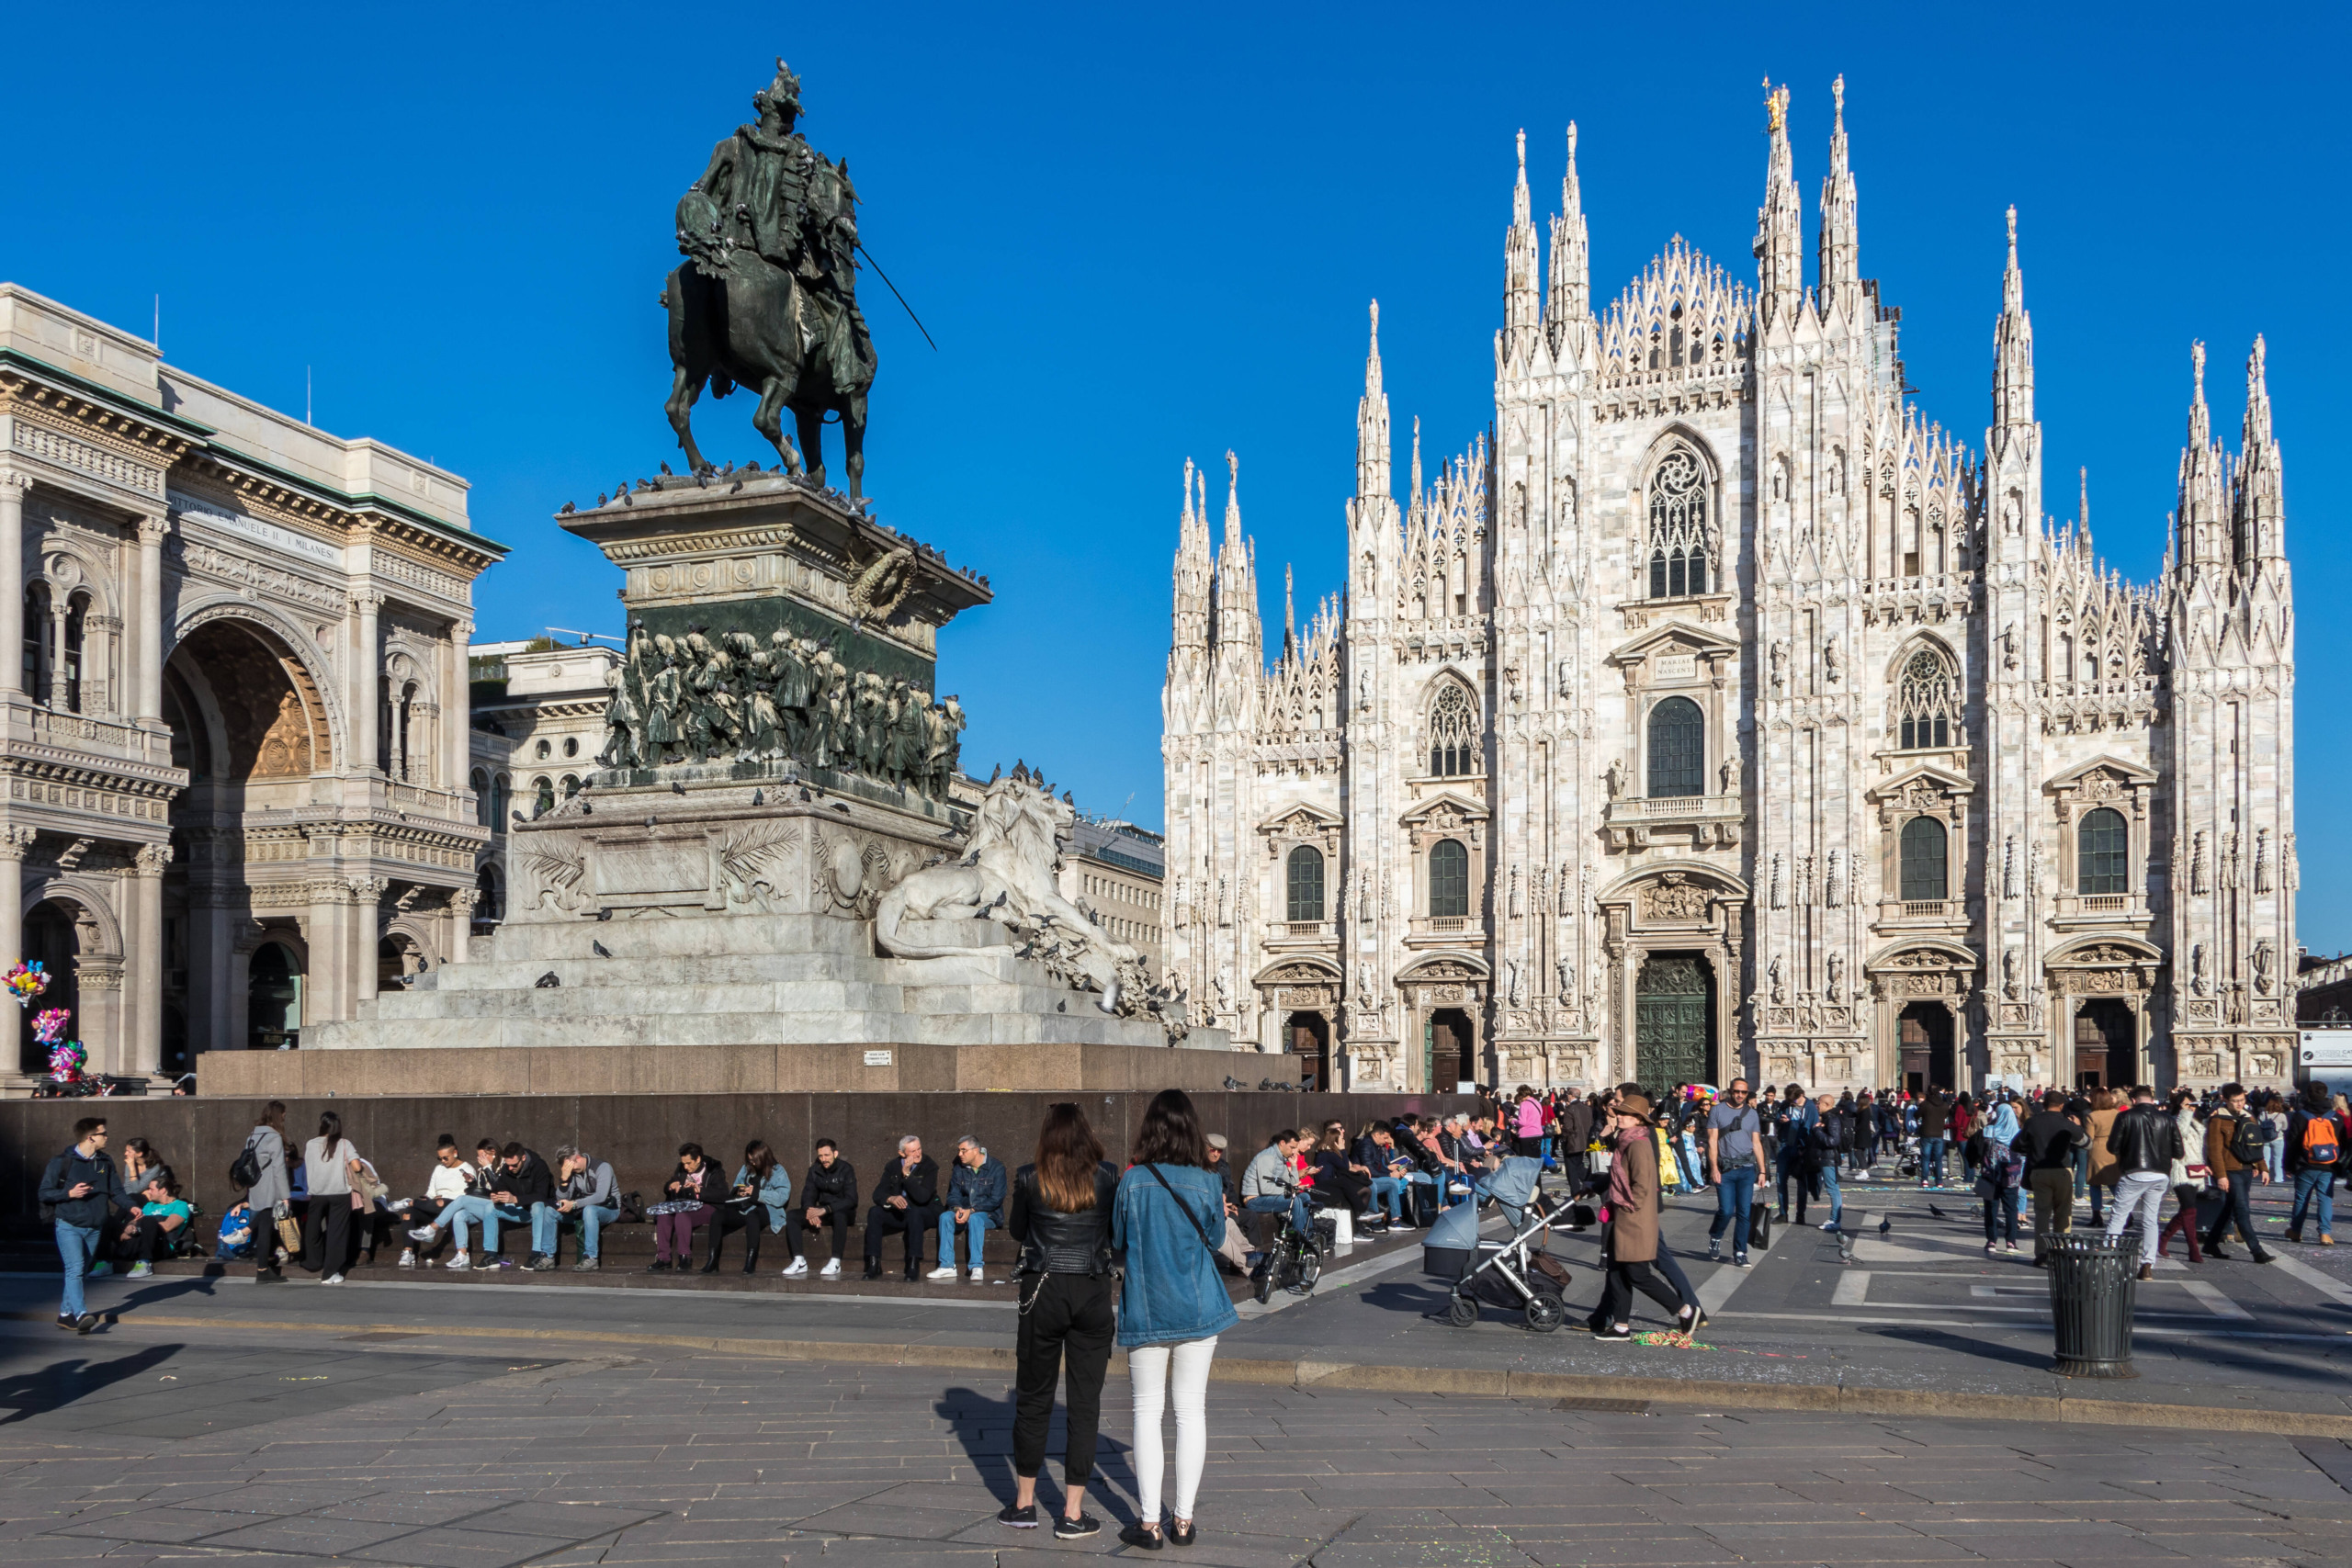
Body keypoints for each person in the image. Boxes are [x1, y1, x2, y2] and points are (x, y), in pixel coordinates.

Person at [1112, 1089, 1238, 1549]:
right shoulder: (1207, 1181)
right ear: (1193, 1130)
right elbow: (1217, 1235)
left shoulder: (1132, 1179)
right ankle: (1183, 1520)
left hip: (1147, 1307)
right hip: (1200, 1305)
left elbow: (1119, 1237)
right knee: (1191, 1411)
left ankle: (1149, 1523)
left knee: (1147, 1412)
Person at [1000, 1102, 1120, 1541]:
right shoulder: (1107, 1174)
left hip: (1042, 1291)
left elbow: (1016, 1231)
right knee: (1085, 1405)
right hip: (1091, 1289)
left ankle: (1024, 1504)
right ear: (1087, 1133)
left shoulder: (1029, 1175)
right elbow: (1116, 1232)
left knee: (1033, 1399)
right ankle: (1072, 1513)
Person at [1596, 1092, 1703, 1340]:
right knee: (1616, 1270)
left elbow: (1642, 1187)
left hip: (1634, 1219)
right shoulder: (1625, 1140)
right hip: (1625, 1216)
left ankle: (1685, 1310)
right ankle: (1621, 1326)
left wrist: (1625, 1208)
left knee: (1637, 1274)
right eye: (1618, 1112)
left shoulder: (1638, 1144)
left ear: (1638, 1120)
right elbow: (1618, 1175)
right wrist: (1594, 1186)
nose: (1618, 1116)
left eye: (1624, 1113)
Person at [39, 1117, 119, 1332]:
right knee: (74, 1269)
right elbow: (44, 1193)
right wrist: (69, 1193)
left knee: (82, 1270)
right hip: (68, 1224)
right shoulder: (61, 1162)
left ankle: (65, 1314)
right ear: (90, 1137)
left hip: (94, 1225)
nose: (107, 1137)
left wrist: (131, 1206)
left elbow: (116, 1191)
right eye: (104, 1133)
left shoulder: (105, 1161)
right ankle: (81, 1313)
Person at [2104, 1085, 2183, 1280]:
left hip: (2134, 1172)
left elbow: (2112, 1147)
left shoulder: (2125, 1117)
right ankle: (2147, 1264)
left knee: (2118, 1217)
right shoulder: (2167, 1118)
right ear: (2152, 1099)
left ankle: (2108, 1260)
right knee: (2150, 1220)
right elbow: (2179, 1152)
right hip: (2159, 1174)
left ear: (2133, 1100)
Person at [405, 1138, 508, 1269]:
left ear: (493, 1152)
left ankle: (432, 1229)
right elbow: (483, 1193)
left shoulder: (506, 1165)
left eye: (482, 1155)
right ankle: (462, 1255)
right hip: (487, 1207)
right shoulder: (482, 1170)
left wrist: (487, 1167)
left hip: (503, 1207)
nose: (480, 1159)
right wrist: (471, 1183)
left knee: (461, 1199)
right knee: (459, 1215)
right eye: (478, 1156)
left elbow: (499, 1188)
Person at [2202, 1083, 2276, 1264]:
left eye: (2242, 1100)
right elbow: (2214, 1150)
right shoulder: (2218, 1119)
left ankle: (2210, 1243)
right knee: (2242, 1209)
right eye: (2234, 1101)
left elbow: (2255, 1145)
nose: (2239, 1104)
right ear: (2224, 1100)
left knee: (2230, 1209)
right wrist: (2220, 1175)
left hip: (2246, 1170)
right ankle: (2257, 1251)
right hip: (2229, 1170)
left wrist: (2263, 1167)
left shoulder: (2248, 1116)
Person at [2020, 1089, 2090, 1265]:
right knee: (2063, 1212)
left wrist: (2033, 1148)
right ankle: (2060, 1250)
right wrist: (2078, 1126)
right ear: (2061, 1105)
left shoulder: (2033, 1122)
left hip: (2039, 1170)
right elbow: (2087, 1144)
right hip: (2061, 1170)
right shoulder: (2066, 1122)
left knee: (2042, 1213)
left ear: (2043, 1104)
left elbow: (2017, 1145)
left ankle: (2041, 1252)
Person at [707, 1140, 792, 1274]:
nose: (752, 1163)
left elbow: (782, 1197)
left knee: (753, 1217)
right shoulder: (746, 1168)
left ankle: (750, 1261)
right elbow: (737, 1185)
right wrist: (739, 1191)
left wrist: (756, 1193)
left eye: (754, 1160)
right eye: (749, 1159)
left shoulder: (778, 1171)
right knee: (717, 1216)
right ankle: (712, 1260)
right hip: (744, 1206)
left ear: (763, 1157)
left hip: (767, 1209)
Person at [863, 1134, 941, 1280]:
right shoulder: (892, 1166)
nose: (918, 1154)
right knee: (875, 1212)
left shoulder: (929, 1166)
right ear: (902, 1153)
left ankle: (913, 1265)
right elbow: (878, 1193)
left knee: (915, 1213)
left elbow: (922, 1197)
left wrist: (907, 1174)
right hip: (902, 1213)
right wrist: (891, 1198)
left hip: (926, 1211)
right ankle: (873, 1264)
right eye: (913, 1151)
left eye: (919, 1149)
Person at [930, 1135, 1005, 1282]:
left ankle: (976, 1267)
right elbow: (953, 1194)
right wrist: (958, 1208)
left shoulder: (996, 1167)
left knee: (975, 1219)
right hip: (964, 1211)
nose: (960, 1154)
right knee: (945, 1217)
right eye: (959, 1150)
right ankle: (947, 1266)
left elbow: (996, 1199)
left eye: (963, 1151)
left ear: (976, 1150)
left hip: (989, 1215)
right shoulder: (959, 1168)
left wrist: (971, 1211)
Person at [300, 1111, 363, 1284]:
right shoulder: (344, 1143)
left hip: (317, 1193)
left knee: (312, 1229)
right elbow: (357, 1167)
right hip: (339, 1193)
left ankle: (312, 1261)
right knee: (337, 1233)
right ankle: (330, 1272)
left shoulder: (311, 1144)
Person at [1704, 1077, 1761, 1266]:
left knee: (1744, 1213)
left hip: (1746, 1169)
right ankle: (1716, 1235)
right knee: (1726, 1210)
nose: (1740, 1095)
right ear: (1730, 1091)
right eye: (1737, 1091)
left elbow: (1756, 1143)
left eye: (1744, 1092)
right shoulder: (1717, 1110)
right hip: (1725, 1169)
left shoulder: (1752, 1114)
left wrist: (1762, 1171)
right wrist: (1713, 1168)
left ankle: (1740, 1252)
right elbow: (1712, 1141)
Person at [396, 1138, 473, 1269]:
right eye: (440, 1158)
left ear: (455, 1153)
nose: (443, 1161)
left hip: (453, 1204)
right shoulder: (439, 1169)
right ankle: (408, 1252)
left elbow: (466, 1195)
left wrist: (443, 1197)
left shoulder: (466, 1169)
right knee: (408, 1213)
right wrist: (426, 1198)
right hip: (435, 1204)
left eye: (445, 1158)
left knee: (440, 1202)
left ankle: (410, 1202)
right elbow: (431, 1191)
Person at [784, 1138, 856, 1277]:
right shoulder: (814, 1170)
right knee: (792, 1216)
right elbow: (808, 1194)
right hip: (822, 1211)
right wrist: (811, 1211)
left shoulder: (846, 1169)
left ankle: (835, 1261)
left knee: (839, 1215)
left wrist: (826, 1209)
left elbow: (851, 1200)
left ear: (835, 1154)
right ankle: (799, 1261)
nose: (824, 1159)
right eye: (820, 1156)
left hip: (842, 1211)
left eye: (827, 1155)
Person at [1240, 1130, 1314, 1261]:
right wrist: (1290, 1191)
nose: (1293, 1151)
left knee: (1305, 1198)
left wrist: (1294, 1165)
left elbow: (1292, 1183)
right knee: (1296, 1201)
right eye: (1291, 1147)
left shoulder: (1281, 1159)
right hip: (1254, 1199)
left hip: (1268, 1197)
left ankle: (1307, 1237)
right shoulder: (1267, 1157)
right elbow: (1265, 1188)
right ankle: (1299, 1242)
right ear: (1281, 1143)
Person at [486, 1143, 560, 1269]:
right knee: (490, 1208)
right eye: (508, 1165)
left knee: (538, 1205)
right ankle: (490, 1255)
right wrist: (497, 1196)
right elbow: (500, 1186)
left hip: (540, 1213)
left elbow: (542, 1195)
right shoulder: (507, 1167)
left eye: (514, 1165)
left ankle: (536, 1253)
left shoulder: (539, 1166)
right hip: (521, 1211)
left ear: (523, 1158)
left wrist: (516, 1199)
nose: (510, 1168)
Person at [2286, 1079, 2341, 1245]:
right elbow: (2342, 1142)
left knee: (2302, 1198)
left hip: (2305, 1164)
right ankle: (2325, 1233)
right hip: (2328, 1165)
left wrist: (2288, 1166)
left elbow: (2292, 1142)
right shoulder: (2335, 1117)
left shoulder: (2300, 1116)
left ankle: (2296, 1230)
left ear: (2308, 1095)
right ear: (2326, 1094)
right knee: (2325, 1198)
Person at [241, 1102, 290, 1284]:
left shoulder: (253, 1134)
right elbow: (278, 1167)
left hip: (255, 1185)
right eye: (283, 1115)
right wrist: (285, 1195)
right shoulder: (274, 1136)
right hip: (270, 1186)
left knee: (263, 1224)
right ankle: (262, 1270)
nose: (284, 1118)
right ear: (279, 1115)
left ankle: (263, 1266)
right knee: (265, 1228)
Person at [650, 1143, 720, 1270]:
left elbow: (721, 1193)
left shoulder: (713, 1170)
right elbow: (670, 1184)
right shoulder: (681, 1169)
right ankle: (663, 1258)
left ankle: (685, 1257)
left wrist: (699, 1191)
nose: (686, 1167)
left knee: (682, 1216)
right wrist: (671, 1186)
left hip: (705, 1207)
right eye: (683, 1163)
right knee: (663, 1216)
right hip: (684, 1205)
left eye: (689, 1163)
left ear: (698, 1159)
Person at [2158, 1088, 2208, 1264]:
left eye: (2192, 1104)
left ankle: (2163, 1239)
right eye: (2187, 1104)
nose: (2191, 1107)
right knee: (2189, 1210)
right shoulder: (2174, 1121)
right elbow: (2180, 1134)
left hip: (2196, 1170)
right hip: (2180, 1169)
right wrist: (2185, 1113)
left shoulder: (2196, 1122)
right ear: (2179, 1106)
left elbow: (2198, 1148)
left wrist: (2205, 1166)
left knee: (2187, 1211)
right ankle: (2193, 1250)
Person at [554, 1145, 620, 1270]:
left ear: (578, 1158)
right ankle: (547, 1256)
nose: (567, 1170)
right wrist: (564, 1180)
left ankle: (591, 1258)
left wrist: (574, 1204)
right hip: (581, 1210)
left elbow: (601, 1196)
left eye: (567, 1166)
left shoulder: (602, 1167)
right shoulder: (572, 1174)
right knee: (549, 1212)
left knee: (590, 1210)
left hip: (609, 1210)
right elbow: (561, 1199)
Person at [112, 1172, 190, 1277]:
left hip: (162, 1244)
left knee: (149, 1220)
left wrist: (138, 1229)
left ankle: (145, 1263)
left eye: (151, 1189)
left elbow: (167, 1226)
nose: (148, 1192)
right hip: (140, 1239)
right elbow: (136, 1220)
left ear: (163, 1190)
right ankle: (105, 1261)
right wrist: (130, 1226)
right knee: (107, 1221)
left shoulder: (180, 1205)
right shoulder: (150, 1205)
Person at [1356, 1121, 1412, 1229]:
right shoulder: (1366, 1145)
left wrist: (1391, 1173)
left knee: (1395, 1182)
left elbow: (1379, 1166)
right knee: (1392, 1182)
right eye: (1385, 1138)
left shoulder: (1375, 1145)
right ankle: (1378, 1221)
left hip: (1372, 1178)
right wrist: (1390, 1175)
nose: (1386, 1141)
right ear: (1377, 1134)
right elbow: (1370, 1170)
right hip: (1365, 1179)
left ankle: (1395, 1220)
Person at [1809, 1094, 1848, 1232]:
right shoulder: (1828, 1118)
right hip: (1826, 1158)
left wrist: (1818, 1130)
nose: (1817, 1105)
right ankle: (1833, 1218)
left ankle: (1835, 1220)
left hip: (1829, 1159)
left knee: (1833, 1189)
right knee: (1832, 1188)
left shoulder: (1832, 1119)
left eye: (1819, 1103)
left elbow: (1832, 1141)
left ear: (1827, 1104)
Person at [2084, 1089, 2122, 1225]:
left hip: (2097, 1150)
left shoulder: (2092, 1116)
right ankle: (2126, 1213)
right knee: (2114, 1184)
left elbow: (2089, 1137)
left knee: (2095, 1184)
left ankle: (2096, 1215)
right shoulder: (2116, 1114)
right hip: (2114, 1150)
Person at [1917, 1090, 1951, 1189]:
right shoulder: (1944, 1105)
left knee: (1925, 1158)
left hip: (1927, 1133)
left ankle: (1925, 1180)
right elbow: (1945, 1116)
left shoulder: (1925, 1105)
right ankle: (1939, 1181)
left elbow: (1916, 1115)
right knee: (1938, 1159)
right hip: (1939, 1134)